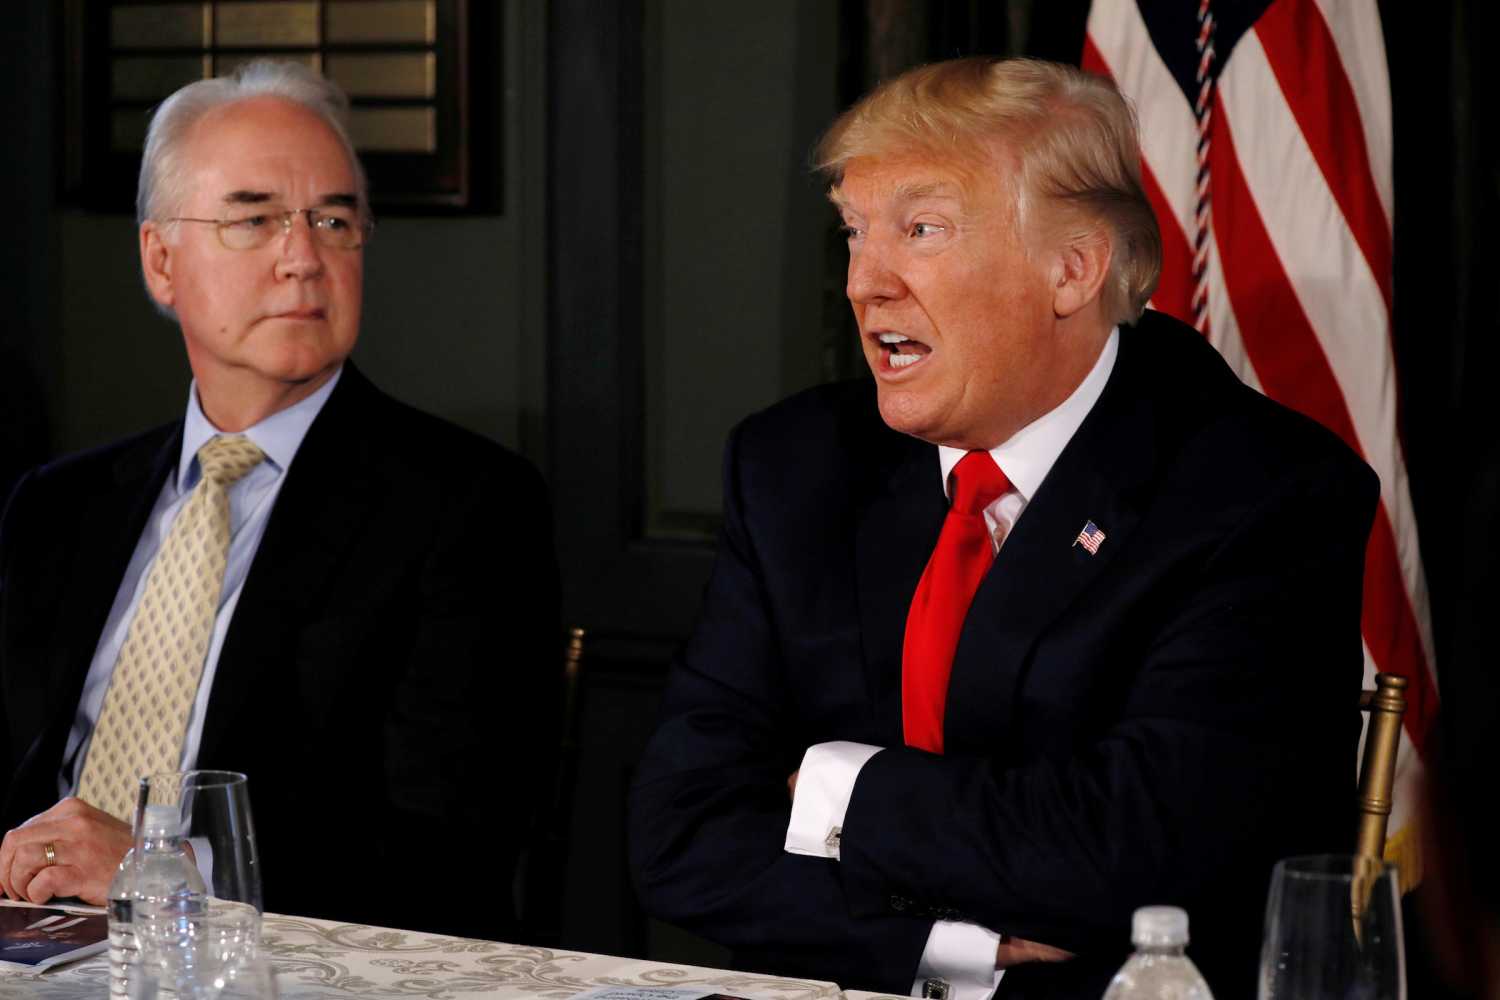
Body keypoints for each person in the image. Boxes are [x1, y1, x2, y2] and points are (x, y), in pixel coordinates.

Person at [628, 57, 1376, 1000]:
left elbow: (1140, 856)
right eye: (855, 230)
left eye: (922, 230)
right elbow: (678, 834)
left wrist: (832, 789)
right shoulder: (793, 465)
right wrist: (955, 938)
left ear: (1072, 269)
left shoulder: (1265, 493)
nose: (865, 284)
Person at [0, 61, 559, 941]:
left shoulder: (468, 507)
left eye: (334, 220)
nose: (303, 259)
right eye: (254, 219)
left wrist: (159, 870)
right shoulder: (59, 507)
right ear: (160, 261)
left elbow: (448, 851)